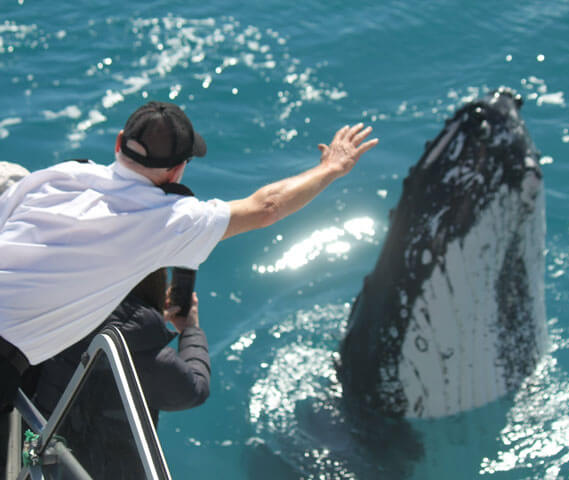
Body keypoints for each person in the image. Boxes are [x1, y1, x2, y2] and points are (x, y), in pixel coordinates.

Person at [0, 101, 378, 411]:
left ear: (119, 143)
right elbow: (267, 207)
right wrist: (332, 168)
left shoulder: (60, 175)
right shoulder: (169, 220)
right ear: (178, 169)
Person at [31, 268, 210, 425]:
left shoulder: (56, 307)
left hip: (36, 431)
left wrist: (144, 320)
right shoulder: (149, 357)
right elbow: (196, 390)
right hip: (94, 459)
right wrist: (190, 330)